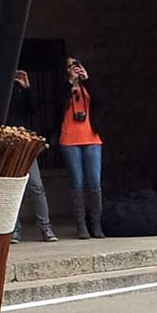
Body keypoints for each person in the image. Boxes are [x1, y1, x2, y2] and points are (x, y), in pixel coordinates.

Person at [57, 55, 106, 239]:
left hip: (92, 138)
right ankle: (81, 225)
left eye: (77, 65)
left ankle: (96, 224)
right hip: (70, 139)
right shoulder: (64, 88)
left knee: (94, 182)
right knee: (77, 182)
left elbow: (101, 101)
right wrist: (70, 83)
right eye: (71, 66)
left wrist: (88, 80)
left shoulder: (89, 87)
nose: (74, 69)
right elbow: (58, 105)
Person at [8, 68, 58, 243]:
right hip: (6, 143)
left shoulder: (21, 90)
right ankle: (14, 230)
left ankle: (46, 228)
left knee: (36, 186)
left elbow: (34, 108)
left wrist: (27, 87)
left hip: (25, 142)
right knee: (13, 188)